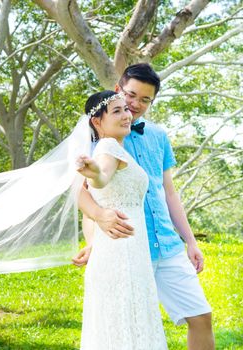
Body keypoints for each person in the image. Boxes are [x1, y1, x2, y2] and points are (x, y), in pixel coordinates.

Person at [74, 63, 215, 350]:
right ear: (118, 90)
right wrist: (95, 235)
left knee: (201, 316)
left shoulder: (158, 136)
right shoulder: (98, 138)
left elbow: (169, 193)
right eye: (131, 95)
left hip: (166, 243)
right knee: (131, 326)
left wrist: (189, 241)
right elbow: (88, 191)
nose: (135, 105)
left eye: (145, 100)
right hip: (128, 244)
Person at [76, 90, 167, 349]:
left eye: (125, 110)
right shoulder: (107, 148)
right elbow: (102, 176)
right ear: (97, 122)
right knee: (124, 322)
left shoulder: (115, 149)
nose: (127, 115)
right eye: (117, 111)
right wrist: (93, 172)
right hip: (121, 252)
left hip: (125, 249)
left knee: (127, 322)